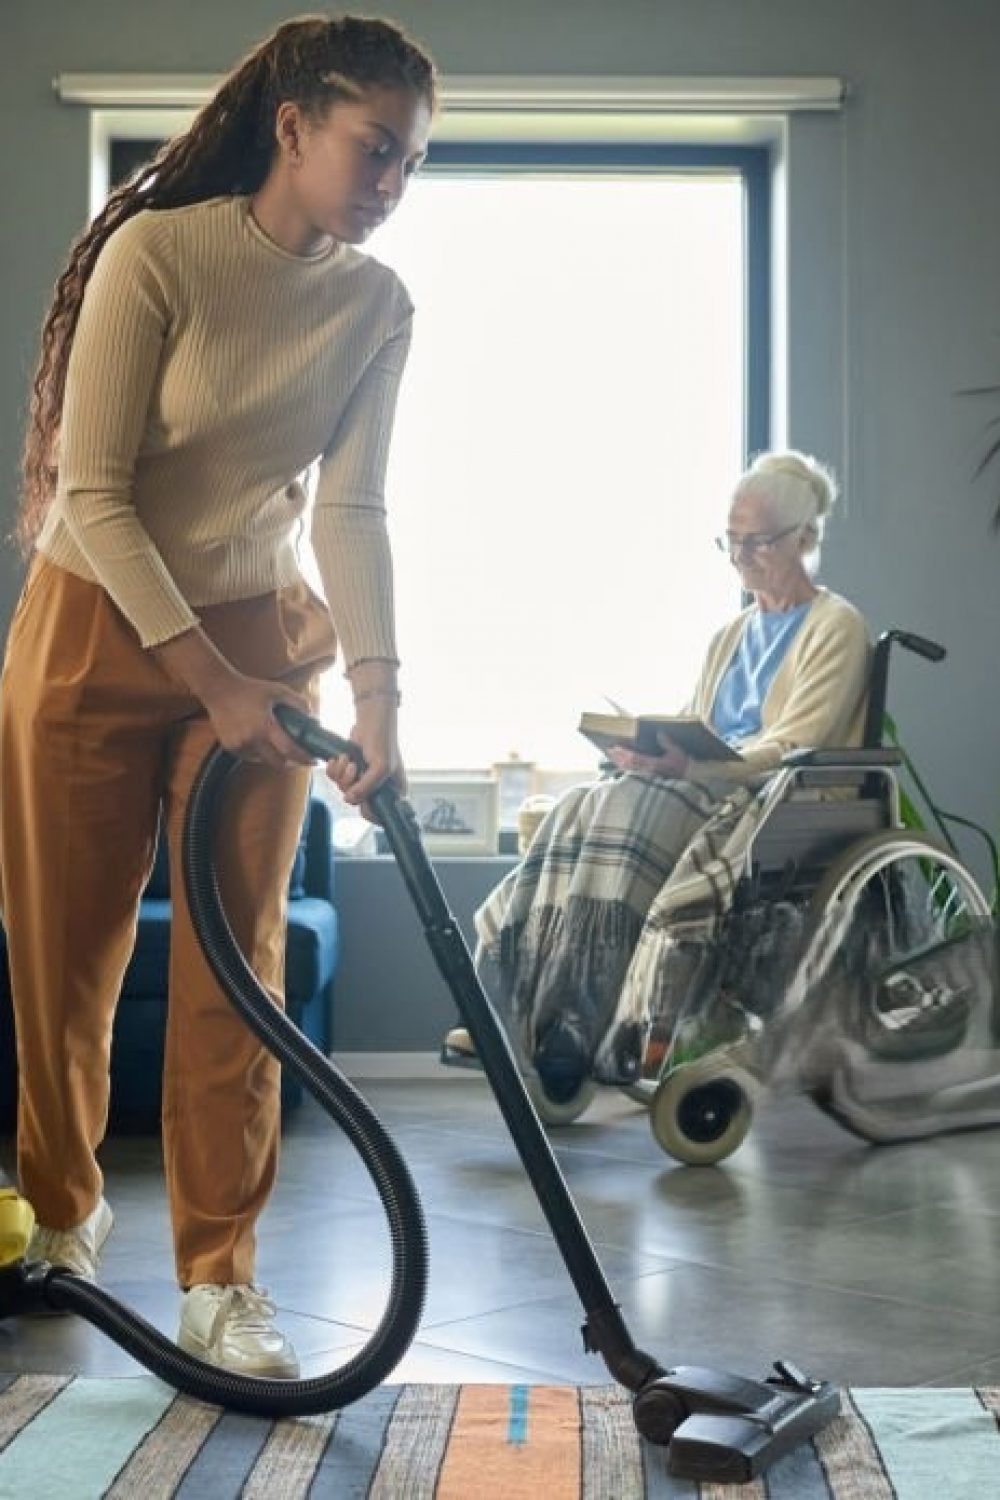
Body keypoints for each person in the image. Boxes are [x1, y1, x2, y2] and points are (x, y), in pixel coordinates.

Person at [0, 15, 436, 1378]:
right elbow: (97, 495)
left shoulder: (375, 304)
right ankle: (63, 1213)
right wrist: (210, 679)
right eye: (376, 150)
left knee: (235, 971)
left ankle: (218, 1277)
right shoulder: (160, 254)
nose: (390, 184)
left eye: (414, 162)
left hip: (264, 633)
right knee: (65, 957)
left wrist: (380, 703)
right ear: (295, 128)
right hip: (96, 621)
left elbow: (352, 511)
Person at [443, 450, 871, 1091]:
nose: (741, 557)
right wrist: (643, 749)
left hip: (763, 796)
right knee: (575, 807)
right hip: (701, 780)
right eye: (731, 542)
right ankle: (512, 1011)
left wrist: (696, 765)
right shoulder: (731, 634)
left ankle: (578, 1022)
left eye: (757, 542)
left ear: (805, 537)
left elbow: (794, 743)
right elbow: (695, 717)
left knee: (630, 808)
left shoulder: (835, 625)